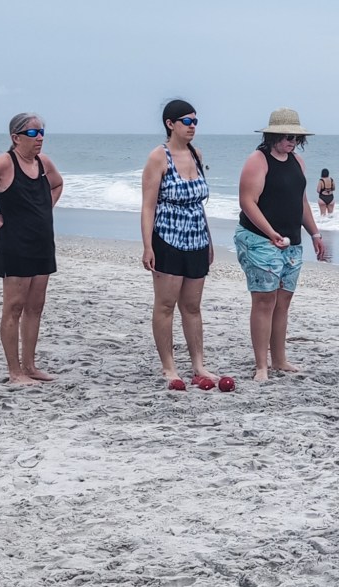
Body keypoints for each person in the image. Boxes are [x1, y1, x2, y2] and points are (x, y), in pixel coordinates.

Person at [0, 113, 64, 385]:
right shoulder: (5, 163)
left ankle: (30, 366)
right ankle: (15, 371)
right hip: (15, 243)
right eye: (33, 133)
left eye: (42, 132)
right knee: (14, 307)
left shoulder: (44, 163)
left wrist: (45, 208)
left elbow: (57, 184)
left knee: (35, 307)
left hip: (42, 242)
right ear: (16, 138)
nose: (39, 138)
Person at [235, 107, 326, 382]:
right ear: (272, 135)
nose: (292, 141)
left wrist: (315, 234)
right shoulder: (258, 160)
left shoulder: (297, 162)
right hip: (259, 239)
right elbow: (247, 201)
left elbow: (301, 201)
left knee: (283, 301)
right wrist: (270, 233)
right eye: (287, 136)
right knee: (265, 300)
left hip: (292, 242)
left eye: (296, 138)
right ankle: (261, 365)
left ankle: (279, 359)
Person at [140, 99, 218, 388]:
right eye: (187, 121)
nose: (192, 126)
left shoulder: (196, 154)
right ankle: (168, 366)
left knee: (193, 306)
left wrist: (209, 240)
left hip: (196, 237)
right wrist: (147, 246)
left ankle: (198, 364)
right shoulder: (158, 157)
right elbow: (148, 206)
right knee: (165, 305)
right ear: (170, 124)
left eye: (195, 121)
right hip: (167, 237)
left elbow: (200, 204)